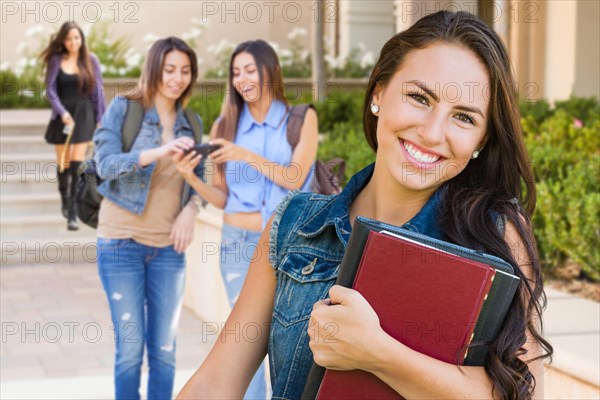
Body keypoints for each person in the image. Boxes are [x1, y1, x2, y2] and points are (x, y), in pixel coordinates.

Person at [177, 11, 553, 400]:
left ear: (480, 141)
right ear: (378, 94)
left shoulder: (496, 235)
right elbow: (214, 383)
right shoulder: (293, 225)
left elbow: (525, 394)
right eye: (419, 97)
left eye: (463, 117)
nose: (432, 132)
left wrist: (377, 353)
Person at [173, 39, 319, 399]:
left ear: (270, 70)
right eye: (235, 72)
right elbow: (221, 198)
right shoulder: (225, 126)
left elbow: (294, 177)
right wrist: (190, 177)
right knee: (247, 343)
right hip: (238, 246)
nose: (242, 79)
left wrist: (244, 154)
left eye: (250, 70)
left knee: (287, 338)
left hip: (289, 247)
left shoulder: (300, 118)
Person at [93, 37, 204, 400]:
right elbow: (104, 164)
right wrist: (157, 151)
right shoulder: (125, 109)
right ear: (154, 68)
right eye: (170, 69)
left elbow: (198, 182)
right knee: (129, 350)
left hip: (169, 250)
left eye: (185, 71)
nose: (177, 78)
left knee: (165, 350)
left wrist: (190, 210)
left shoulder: (192, 123)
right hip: (120, 243)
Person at [40, 21, 105, 230]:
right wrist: (62, 112)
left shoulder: (91, 60)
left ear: (82, 39)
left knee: (77, 164)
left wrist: (101, 120)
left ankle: (73, 211)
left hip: (84, 114)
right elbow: (50, 90)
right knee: (63, 163)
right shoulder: (56, 60)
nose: (73, 42)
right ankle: (64, 199)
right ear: (63, 40)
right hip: (63, 117)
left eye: (76, 37)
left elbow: (98, 92)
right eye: (68, 38)